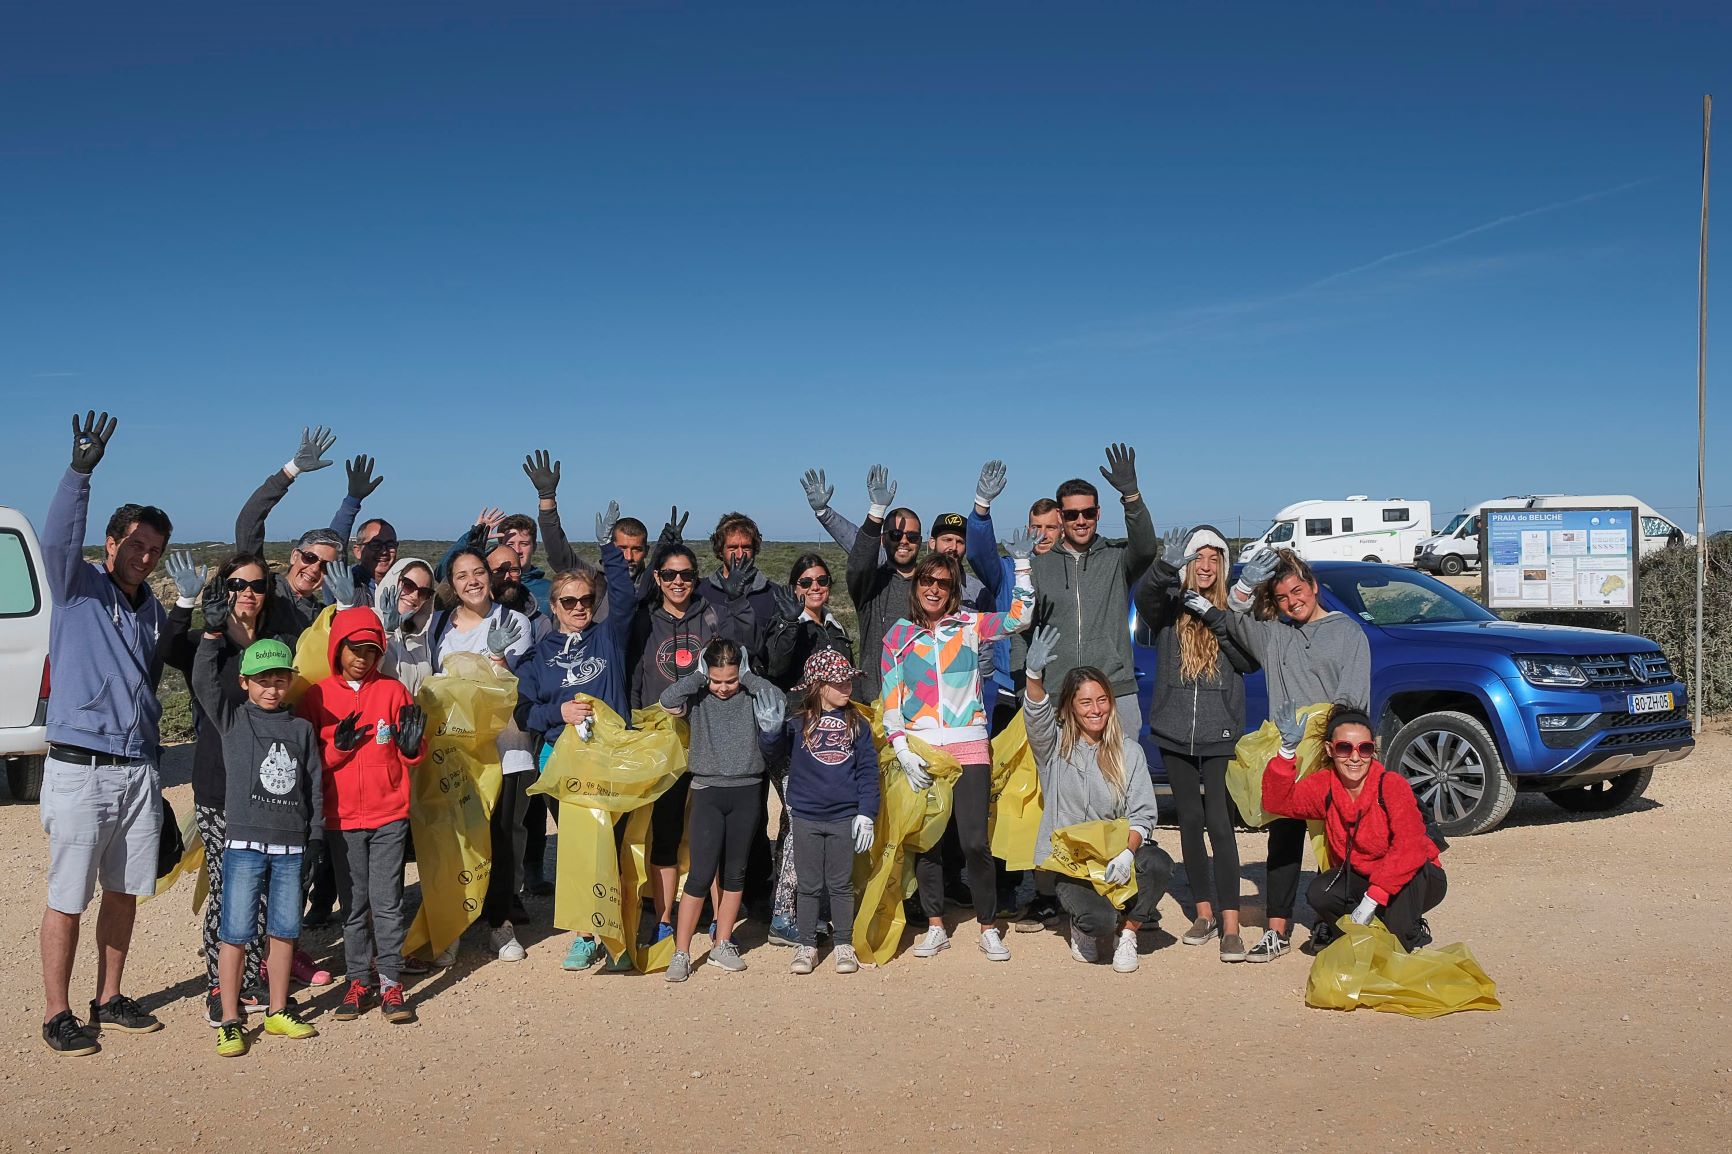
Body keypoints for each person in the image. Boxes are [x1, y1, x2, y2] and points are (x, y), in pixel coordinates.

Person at [38, 412, 171, 1056]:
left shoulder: (153, 611)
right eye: (136, 545)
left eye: (155, 550)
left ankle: (109, 994)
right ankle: (57, 1012)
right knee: (69, 896)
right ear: (112, 543)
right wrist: (79, 474)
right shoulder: (77, 587)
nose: (144, 557)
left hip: (137, 768)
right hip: (79, 766)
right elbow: (58, 538)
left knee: (123, 891)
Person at [162, 550, 322, 1024]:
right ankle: (220, 984)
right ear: (222, 590)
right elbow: (165, 651)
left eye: (255, 585)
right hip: (219, 789)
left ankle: (255, 979)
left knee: (272, 893)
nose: (246, 593)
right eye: (236, 585)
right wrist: (189, 607)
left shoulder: (275, 647)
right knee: (230, 889)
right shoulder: (203, 641)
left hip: (275, 797)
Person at [882, 541, 1033, 963]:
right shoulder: (897, 636)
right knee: (928, 843)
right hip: (923, 751)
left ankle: (988, 927)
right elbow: (891, 698)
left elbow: (1020, 619)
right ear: (917, 585)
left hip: (969, 747)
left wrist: (1022, 567)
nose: (934, 589)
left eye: (944, 583)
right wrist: (901, 748)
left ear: (953, 590)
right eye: (927, 580)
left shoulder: (969, 625)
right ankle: (935, 925)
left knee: (973, 842)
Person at [1222, 547, 1372, 962]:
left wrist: (1337, 750)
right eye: (1283, 596)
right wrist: (1245, 583)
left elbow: (1354, 697)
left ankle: (1335, 921)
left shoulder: (1348, 633)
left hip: (1329, 748)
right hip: (1286, 747)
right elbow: (1234, 617)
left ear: (1314, 587)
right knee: (1283, 839)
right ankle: (1277, 931)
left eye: (1298, 590)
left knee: (1335, 840)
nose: (1293, 601)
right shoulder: (1274, 633)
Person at [515, 504, 639, 971]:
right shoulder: (540, 653)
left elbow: (624, 598)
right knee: (579, 845)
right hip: (560, 760)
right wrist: (559, 712)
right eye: (569, 602)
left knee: (613, 842)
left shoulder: (608, 639)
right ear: (554, 606)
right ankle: (588, 933)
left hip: (609, 758)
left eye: (586, 600)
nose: (580, 608)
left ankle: (618, 932)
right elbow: (525, 711)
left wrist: (609, 547)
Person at [193, 637, 325, 1056]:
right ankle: (230, 1019)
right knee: (234, 933)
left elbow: (314, 786)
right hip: (243, 845)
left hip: (290, 848)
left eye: (280, 679)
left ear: (291, 682)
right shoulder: (233, 721)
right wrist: (211, 638)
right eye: (263, 680)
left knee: (284, 932)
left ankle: (279, 1009)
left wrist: (316, 835)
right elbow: (202, 681)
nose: (272, 688)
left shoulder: (301, 729)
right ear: (244, 682)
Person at [1132, 526, 1259, 963]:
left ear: (1222, 564)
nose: (1204, 567)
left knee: (1220, 825)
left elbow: (1248, 659)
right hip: (1173, 728)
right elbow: (1146, 598)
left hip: (1219, 729)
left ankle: (1229, 924)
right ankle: (1202, 914)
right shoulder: (1169, 608)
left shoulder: (1234, 607)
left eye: (1213, 558)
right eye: (1197, 558)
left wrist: (1218, 617)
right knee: (1188, 821)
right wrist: (1165, 565)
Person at [297, 606, 426, 1025]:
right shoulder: (317, 696)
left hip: (390, 813)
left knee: (387, 903)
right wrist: (338, 747)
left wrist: (411, 749)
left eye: (371, 651)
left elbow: (412, 750)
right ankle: (358, 981)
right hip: (342, 817)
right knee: (353, 906)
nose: (362, 658)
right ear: (338, 647)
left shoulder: (393, 692)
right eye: (354, 649)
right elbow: (307, 761)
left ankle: (389, 981)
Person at [1022, 627, 1172, 973]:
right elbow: (1036, 717)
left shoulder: (1129, 752)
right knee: (1100, 921)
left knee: (1159, 863)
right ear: (1071, 708)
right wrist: (1033, 675)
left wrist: (1127, 853)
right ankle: (1085, 926)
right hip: (1073, 862)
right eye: (1086, 702)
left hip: (1115, 854)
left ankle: (1129, 933)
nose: (1096, 709)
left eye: (1102, 700)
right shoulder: (1054, 748)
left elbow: (1144, 813)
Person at [966, 460, 1068, 930]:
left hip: (1057, 698)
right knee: (1006, 795)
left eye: (1052, 527)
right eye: (1036, 527)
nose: (1044, 534)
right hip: (1008, 694)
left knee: (1051, 796)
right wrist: (982, 508)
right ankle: (1007, 888)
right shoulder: (1008, 568)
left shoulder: (1071, 570)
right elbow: (978, 552)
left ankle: (1052, 889)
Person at [1262, 704, 1446, 952]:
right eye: (1344, 748)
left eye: (1365, 748)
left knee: (1397, 944)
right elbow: (1279, 801)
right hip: (1365, 876)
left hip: (1415, 876)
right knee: (1320, 893)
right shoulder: (1325, 785)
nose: (1355, 757)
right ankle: (1359, 935)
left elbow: (1410, 847)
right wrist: (1286, 752)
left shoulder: (1391, 784)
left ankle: (1409, 928)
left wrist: (1372, 899)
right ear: (1330, 749)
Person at [659, 638, 786, 982]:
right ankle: (682, 952)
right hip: (708, 790)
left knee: (736, 872)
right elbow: (667, 700)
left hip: (746, 789)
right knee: (700, 874)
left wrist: (748, 677)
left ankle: (723, 942)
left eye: (731, 680)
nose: (724, 687)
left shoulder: (750, 691)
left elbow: (778, 700)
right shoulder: (699, 694)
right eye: (717, 680)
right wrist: (699, 678)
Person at [431, 547, 534, 961]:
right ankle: (454, 921)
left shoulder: (514, 622)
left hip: (506, 749)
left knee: (502, 839)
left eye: (478, 572)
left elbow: (513, 690)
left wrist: (494, 659)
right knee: (458, 839)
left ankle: (500, 924)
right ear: (451, 585)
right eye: (461, 575)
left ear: (490, 578)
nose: (472, 580)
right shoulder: (441, 626)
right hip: (458, 754)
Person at [759, 650, 878, 976]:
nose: (847, 686)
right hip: (807, 815)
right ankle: (807, 944)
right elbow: (774, 753)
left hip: (844, 816)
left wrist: (867, 813)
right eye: (839, 681)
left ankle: (843, 944)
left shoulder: (859, 723)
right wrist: (769, 733)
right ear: (819, 685)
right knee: (809, 885)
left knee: (840, 884)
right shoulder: (797, 723)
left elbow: (868, 771)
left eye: (849, 680)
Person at [1026, 444, 1157, 737]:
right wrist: (1028, 683)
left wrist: (1131, 497)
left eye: (1088, 512)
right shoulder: (1040, 567)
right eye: (1072, 515)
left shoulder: (1116, 558)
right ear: (1060, 517)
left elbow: (1147, 548)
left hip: (1114, 690)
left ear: (1097, 512)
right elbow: (1026, 629)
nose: (1081, 520)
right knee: (1063, 780)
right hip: (1058, 692)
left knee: (1120, 777)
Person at [760, 553, 854, 945]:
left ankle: (802, 907)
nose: (814, 588)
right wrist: (786, 623)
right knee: (802, 821)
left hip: (832, 737)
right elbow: (776, 667)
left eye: (821, 581)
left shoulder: (836, 626)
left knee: (794, 824)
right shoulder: (788, 624)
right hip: (794, 738)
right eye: (806, 582)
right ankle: (784, 915)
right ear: (794, 587)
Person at [629, 543, 721, 933]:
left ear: (695, 577)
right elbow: (635, 678)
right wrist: (634, 726)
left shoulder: (712, 619)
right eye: (669, 575)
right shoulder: (644, 622)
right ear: (657, 578)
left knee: (708, 832)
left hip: (706, 739)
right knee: (665, 829)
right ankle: (664, 918)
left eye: (685, 574)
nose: (678, 581)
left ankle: (718, 918)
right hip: (660, 742)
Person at [234, 427, 376, 630]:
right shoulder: (264, 588)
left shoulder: (320, 619)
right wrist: (292, 470)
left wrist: (353, 500)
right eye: (309, 557)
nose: (314, 568)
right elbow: (248, 523)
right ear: (294, 556)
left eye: (326, 566)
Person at [846, 465, 924, 703]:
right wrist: (876, 513)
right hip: (875, 700)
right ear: (883, 540)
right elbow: (859, 563)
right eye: (895, 535)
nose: (904, 541)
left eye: (912, 537)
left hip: (923, 703)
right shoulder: (871, 586)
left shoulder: (931, 586)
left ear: (920, 541)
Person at [374, 558, 440, 695]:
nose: (415, 596)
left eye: (423, 592)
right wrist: (387, 633)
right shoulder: (368, 621)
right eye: (408, 585)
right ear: (393, 581)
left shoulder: (422, 637)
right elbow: (362, 674)